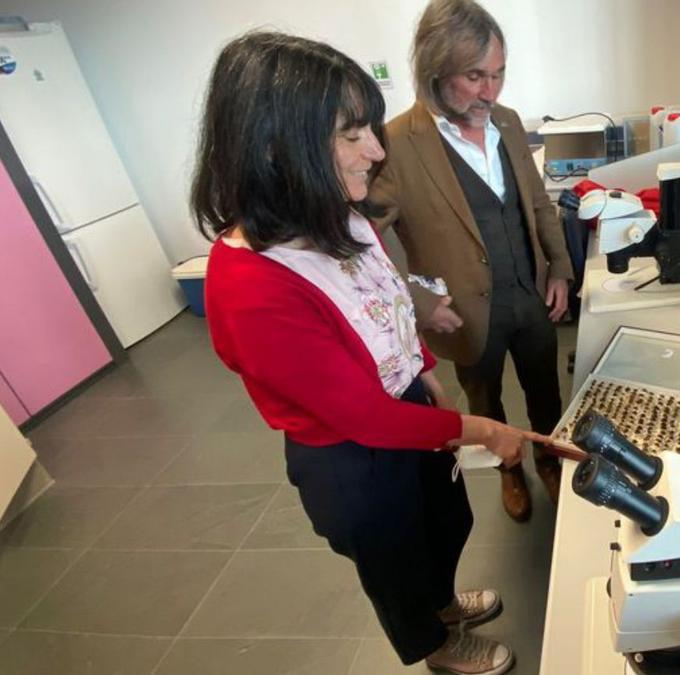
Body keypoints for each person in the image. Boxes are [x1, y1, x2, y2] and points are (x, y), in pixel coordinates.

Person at [192, 31, 531, 675]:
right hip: (354, 455)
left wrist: (425, 371)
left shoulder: (338, 214)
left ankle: (442, 600)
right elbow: (360, 417)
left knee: (442, 521)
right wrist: (481, 427)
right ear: (274, 147)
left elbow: (388, 302)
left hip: (405, 409)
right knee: (394, 556)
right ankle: (433, 644)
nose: (375, 152)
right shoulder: (250, 281)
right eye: (353, 135)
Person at [370, 0, 572, 522]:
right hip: (462, 312)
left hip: (530, 293)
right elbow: (360, 243)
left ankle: (550, 460)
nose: (491, 91)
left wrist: (561, 268)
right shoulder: (394, 144)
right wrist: (416, 302)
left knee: (545, 389)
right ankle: (509, 471)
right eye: (475, 76)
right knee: (484, 401)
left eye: (499, 74)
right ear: (435, 72)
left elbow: (539, 202)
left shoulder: (505, 120)